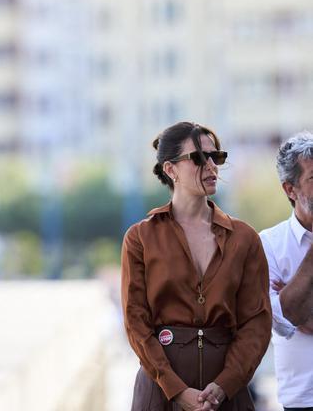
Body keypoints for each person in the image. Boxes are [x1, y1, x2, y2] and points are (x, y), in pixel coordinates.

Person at [121, 121, 271, 411]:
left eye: (216, 157)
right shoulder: (140, 238)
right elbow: (135, 322)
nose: (211, 166)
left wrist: (225, 385)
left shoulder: (244, 239)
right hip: (160, 394)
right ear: (170, 169)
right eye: (199, 158)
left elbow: (257, 321)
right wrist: (176, 390)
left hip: (228, 396)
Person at [259, 131, 313, 411]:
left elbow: (296, 313)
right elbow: (283, 319)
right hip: (302, 398)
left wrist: (295, 296)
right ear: (290, 189)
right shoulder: (268, 244)